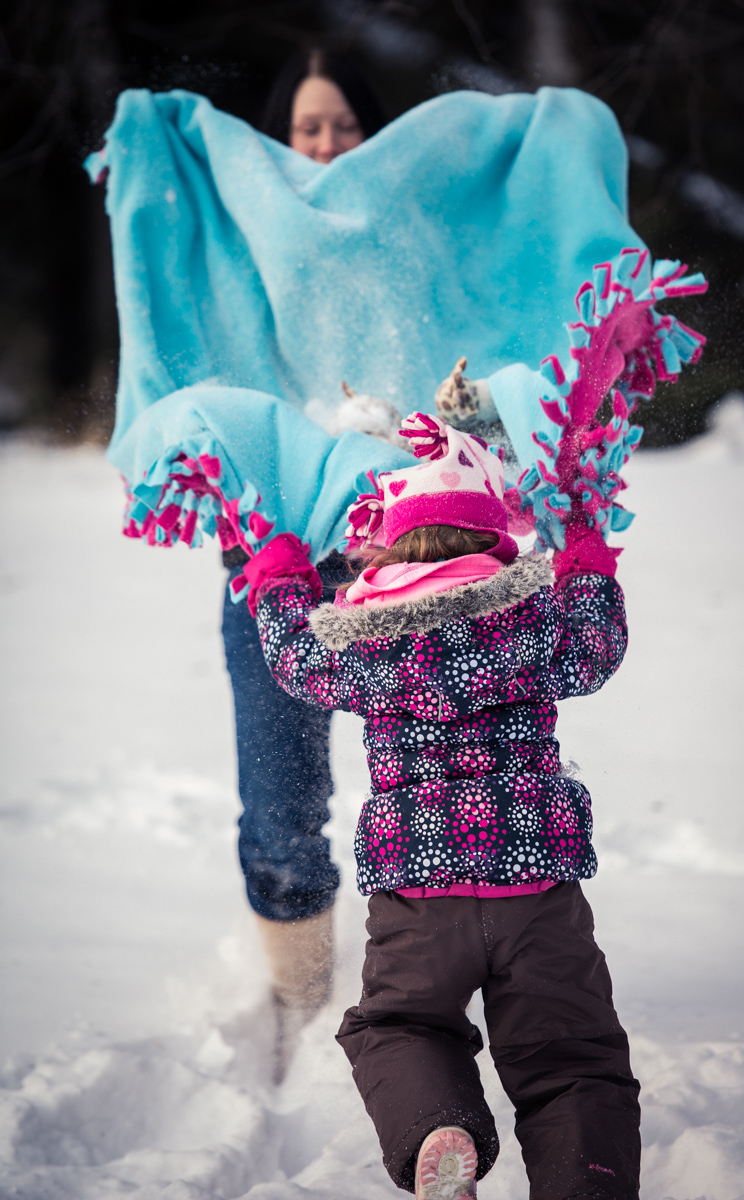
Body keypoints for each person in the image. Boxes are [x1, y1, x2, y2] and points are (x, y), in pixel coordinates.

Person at [245, 410, 641, 1198]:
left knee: (399, 1027)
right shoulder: (532, 624)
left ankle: (437, 1129)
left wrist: (281, 576)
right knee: (570, 1057)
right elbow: (597, 646)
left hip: (418, 892)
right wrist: (587, 560)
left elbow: (293, 658)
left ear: (388, 547)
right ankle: (585, 1180)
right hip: (535, 886)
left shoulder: (366, 641)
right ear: (496, 543)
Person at [220, 49, 388, 1080]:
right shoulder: (238, 252)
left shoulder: (411, 248)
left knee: (439, 779)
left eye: (343, 126)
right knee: (280, 801)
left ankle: (422, 988)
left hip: (403, 556)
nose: (323, 145)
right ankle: (302, 993)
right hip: (270, 560)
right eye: (305, 128)